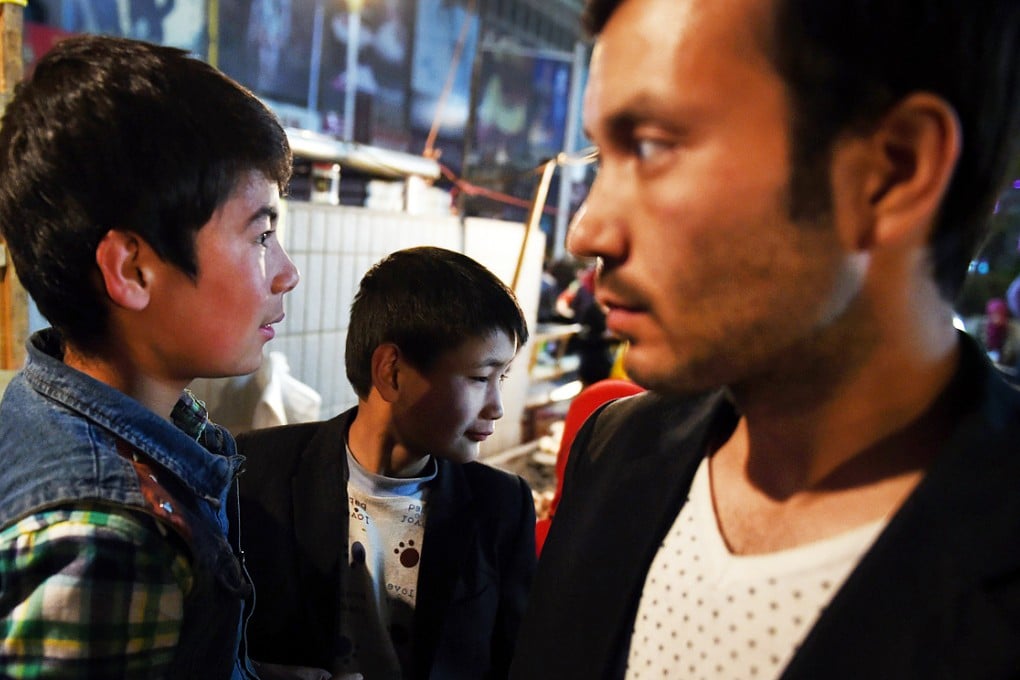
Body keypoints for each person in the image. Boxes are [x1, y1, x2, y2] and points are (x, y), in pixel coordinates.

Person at [510, 0, 1020, 677]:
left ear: (891, 171)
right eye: (605, 157)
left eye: (655, 146)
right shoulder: (615, 450)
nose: (586, 233)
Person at [0, 36, 301, 678]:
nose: (287, 273)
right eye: (263, 235)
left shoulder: (48, 403)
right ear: (133, 269)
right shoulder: (104, 541)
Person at [234, 246, 536, 679]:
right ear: (391, 371)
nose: (497, 407)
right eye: (479, 378)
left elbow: (517, 660)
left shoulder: (502, 505)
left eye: (500, 378)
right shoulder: (258, 473)